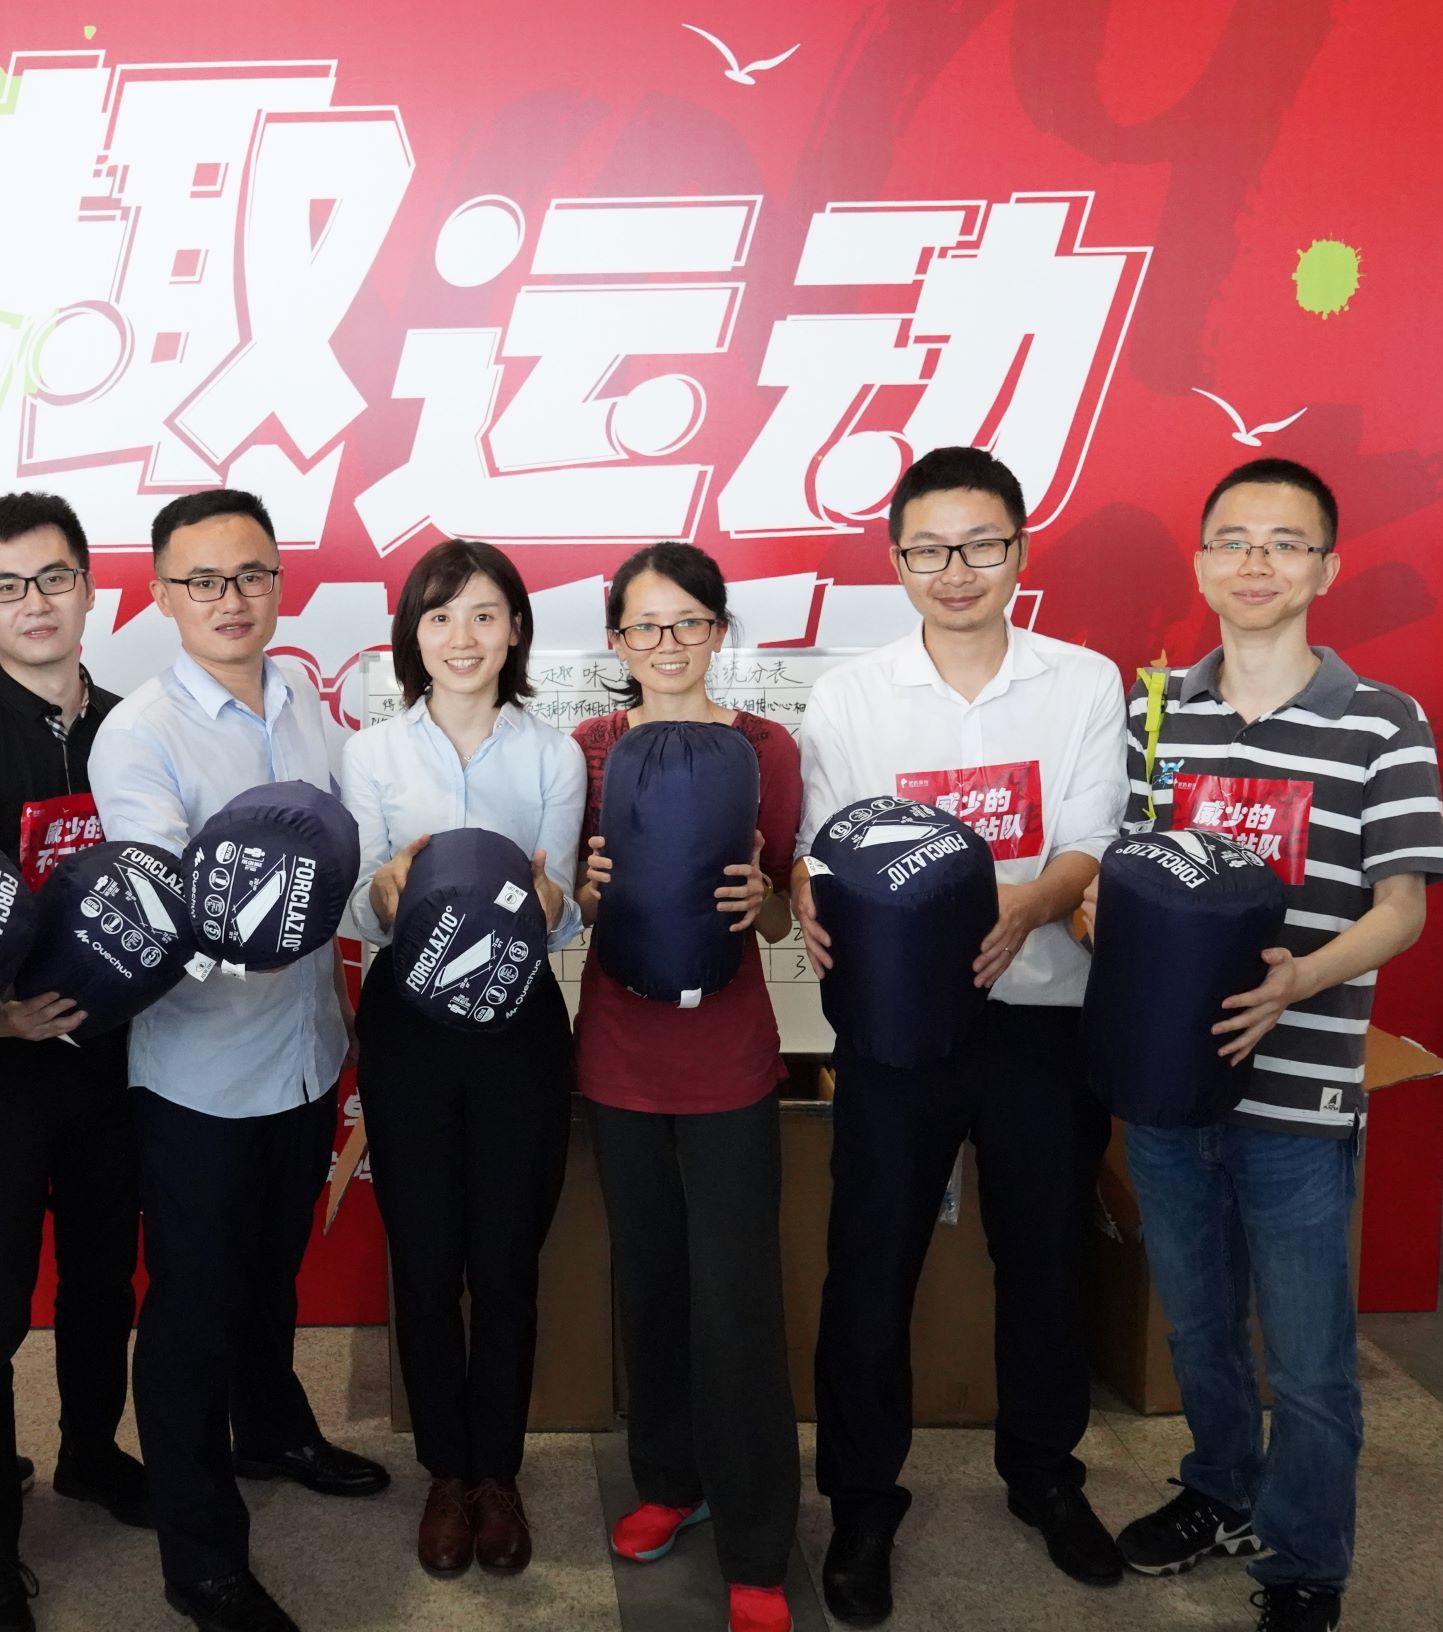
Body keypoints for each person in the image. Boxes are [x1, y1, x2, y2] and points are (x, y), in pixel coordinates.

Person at [1092, 458, 1443, 1632]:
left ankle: (1304, 1561)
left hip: (1299, 1092)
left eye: (1285, 543)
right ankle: (1219, 1490)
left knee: (1306, 1357)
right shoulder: (1154, 714)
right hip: (1169, 1083)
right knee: (1197, 1326)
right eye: (1233, 540)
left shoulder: (1380, 720)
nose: (1256, 562)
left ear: (1325, 570)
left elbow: (1401, 907)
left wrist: (1297, 977)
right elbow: (1134, 875)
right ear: (1200, 563)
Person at [785, 446, 1127, 1624]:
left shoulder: (1082, 682)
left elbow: (1089, 841)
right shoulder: (853, 695)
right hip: (899, 1024)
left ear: (1019, 550)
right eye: (928, 548)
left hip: (1044, 1012)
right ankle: (861, 1501)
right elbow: (825, 846)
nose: (956, 569)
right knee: (870, 1261)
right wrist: (806, 892)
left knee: (1042, 1254)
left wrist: (1022, 907)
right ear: (895, 561)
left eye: (980, 543)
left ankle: (1043, 1472)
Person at [88, 489, 391, 1632]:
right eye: (202, 580)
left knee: (271, 1276)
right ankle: (201, 1557)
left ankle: (271, 1430)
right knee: (193, 1310)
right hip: (198, 1075)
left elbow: (343, 865)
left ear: (279, 584)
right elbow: (167, 909)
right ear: (162, 596)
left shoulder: (305, 703)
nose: (230, 598)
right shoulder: (141, 733)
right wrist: (279, 892)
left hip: (305, 1053)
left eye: (251, 575)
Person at [0, 491, 153, 1632]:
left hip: (112, 1064)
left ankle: (93, 1453)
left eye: (52, 578)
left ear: (90, 587)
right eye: (5, 586)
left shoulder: (137, 732)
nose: (34, 603)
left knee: (103, 1282)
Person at [338, 540, 584, 1577]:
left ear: (515, 629)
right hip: (409, 1030)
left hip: (519, 1029)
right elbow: (357, 909)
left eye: (484, 614)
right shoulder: (373, 754)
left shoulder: (554, 754)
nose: (463, 637)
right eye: (439, 617)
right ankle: (447, 1472)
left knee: (507, 1264)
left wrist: (552, 902)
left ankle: (499, 1473)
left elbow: (563, 917)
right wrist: (386, 891)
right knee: (427, 1259)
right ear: (413, 634)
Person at [575, 541, 800, 1632]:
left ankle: (758, 1542)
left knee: (736, 1298)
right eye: (643, 626)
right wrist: (582, 892)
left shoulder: (766, 749)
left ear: (718, 631)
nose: (665, 644)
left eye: (687, 622)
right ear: (616, 641)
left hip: (729, 1060)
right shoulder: (586, 749)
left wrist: (763, 899)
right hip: (618, 1054)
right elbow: (570, 905)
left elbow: (783, 914)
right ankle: (670, 1481)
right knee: (651, 1280)